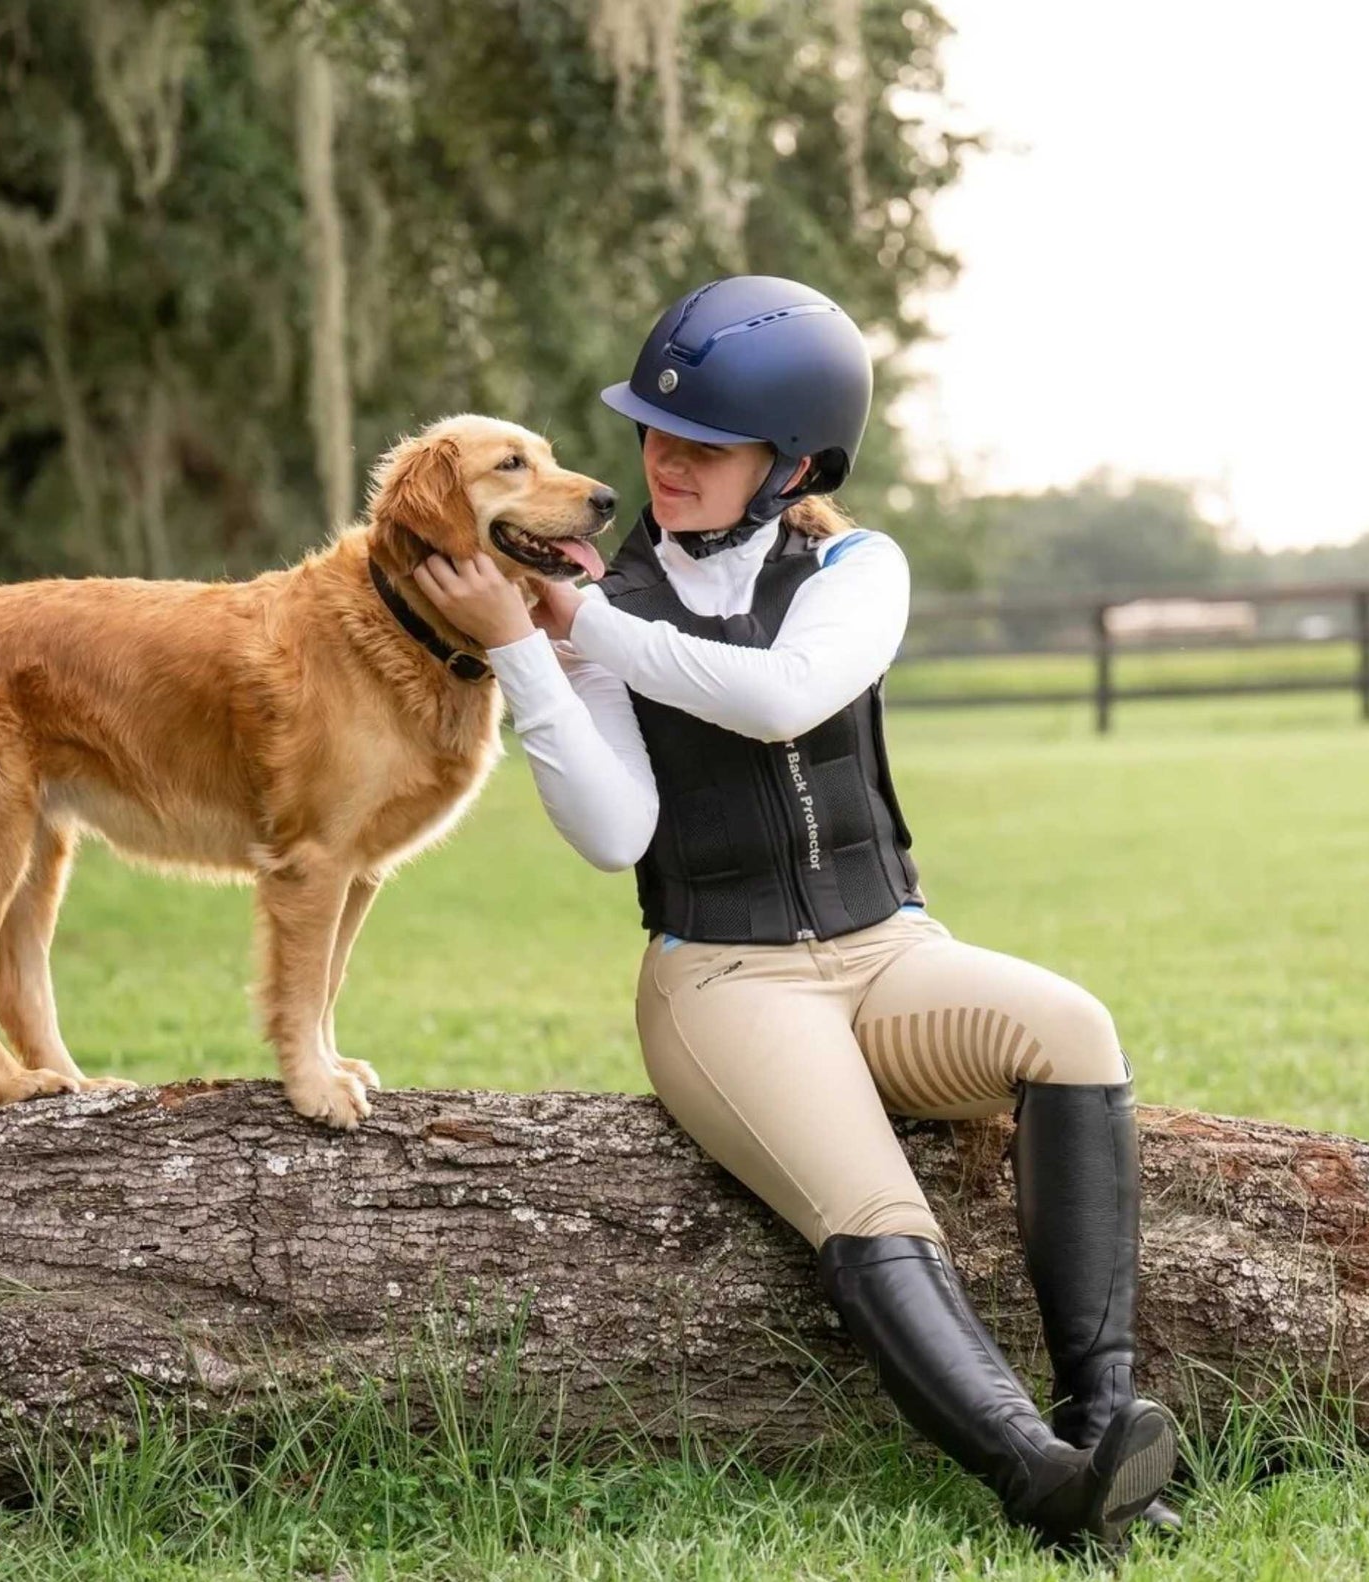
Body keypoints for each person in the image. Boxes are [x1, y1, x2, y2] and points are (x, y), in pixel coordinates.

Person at [409, 276, 1178, 1554]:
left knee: (1075, 1028)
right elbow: (617, 835)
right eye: (655, 434)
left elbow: (782, 697)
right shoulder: (595, 606)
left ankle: (1107, 1426)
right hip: (724, 982)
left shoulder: (854, 568)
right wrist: (527, 655)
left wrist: (584, 620)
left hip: (888, 953)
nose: (664, 463)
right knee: (878, 1209)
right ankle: (1038, 1478)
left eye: (704, 445)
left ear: (794, 463)